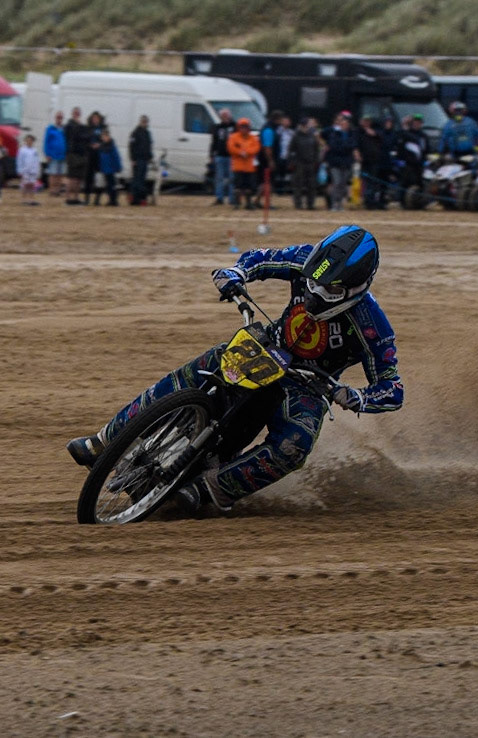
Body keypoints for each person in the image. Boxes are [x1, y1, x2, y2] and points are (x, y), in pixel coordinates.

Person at [67, 226, 403, 513]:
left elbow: (392, 387)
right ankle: (104, 440)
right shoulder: (306, 260)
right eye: (313, 281)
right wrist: (236, 273)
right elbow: (260, 258)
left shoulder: (373, 326)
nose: (314, 291)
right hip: (266, 345)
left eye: (329, 289)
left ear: (356, 289)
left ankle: (208, 490)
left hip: (309, 385)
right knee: (197, 370)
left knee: (295, 445)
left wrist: (354, 396)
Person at [323, 113, 357, 212]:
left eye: (346, 122)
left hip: (346, 163)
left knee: (343, 184)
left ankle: (340, 203)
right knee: (336, 182)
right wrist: (346, 147)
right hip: (335, 163)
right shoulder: (335, 134)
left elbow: (353, 145)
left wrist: (345, 147)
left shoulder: (351, 134)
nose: (344, 124)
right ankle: (334, 204)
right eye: (342, 122)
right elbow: (334, 147)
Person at [289, 117, 324, 210]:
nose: (305, 127)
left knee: (311, 185)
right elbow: (291, 150)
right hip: (299, 163)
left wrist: (317, 161)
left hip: (311, 163)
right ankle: (298, 204)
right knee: (298, 185)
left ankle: (310, 204)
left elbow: (316, 149)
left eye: (306, 125)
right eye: (303, 125)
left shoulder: (312, 136)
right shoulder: (296, 136)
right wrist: (293, 162)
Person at [227, 118, 260, 210]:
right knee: (238, 186)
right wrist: (240, 152)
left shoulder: (253, 138)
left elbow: (256, 148)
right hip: (238, 166)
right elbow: (230, 148)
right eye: (242, 127)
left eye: (246, 127)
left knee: (249, 186)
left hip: (249, 167)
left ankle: (248, 204)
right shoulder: (233, 137)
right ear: (239, 127)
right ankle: (237, 203)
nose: (244, 129)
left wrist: (247, 152)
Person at [356, 116, 386, 210]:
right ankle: (367, 201)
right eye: (365, 121)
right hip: (364, 161)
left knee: (374, 182)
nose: (366, 123)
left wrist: (375, 134)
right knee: (366, 182)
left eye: (368, 121)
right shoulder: (358, 132)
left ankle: (373, 201)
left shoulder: (376, 132)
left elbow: (383, 140)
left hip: (375, 161)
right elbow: (355, 145)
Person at [63, 107, 89, 205]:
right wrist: (79, 127)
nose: (76, 114)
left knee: (79, 178)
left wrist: (81, 128)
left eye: (78, 113)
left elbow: (87, 136)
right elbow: (74, 136)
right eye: (75, 113)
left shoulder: (81, 125)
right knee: (71, 177)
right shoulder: (69, 125)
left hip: (81, 154)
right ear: (72, 114)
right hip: (72, 154)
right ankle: (68, 198)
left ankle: (76, 198)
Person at [211, 108, 235, 205]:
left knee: (232, 178)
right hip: (220, 155)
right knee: (219, 178)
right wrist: (212, 154)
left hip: (232, 156)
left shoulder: (234, 127)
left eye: (226, 115)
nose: (225, 117)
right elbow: (214, 142)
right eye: (223, 115)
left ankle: (232, 198)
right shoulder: (217, 127)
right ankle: (219, 198)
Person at [94, 128, 122, 207]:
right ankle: (111, 200)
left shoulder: (112, 146)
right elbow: (100, 159)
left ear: (108, 136)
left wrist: (118, 167)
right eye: (103, 136)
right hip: (104, 169)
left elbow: (116, 157)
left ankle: (114, 200)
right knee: (108, 186)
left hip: (111, 169)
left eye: (106, 136)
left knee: (112, 185)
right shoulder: (102, 147)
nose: (104, 138)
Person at [128, 115, 153, 206]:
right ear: (140, 122)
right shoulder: (135, 133)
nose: (145, 123)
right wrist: (133, 159)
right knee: (137, 180)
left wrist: (150, 157)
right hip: (138, 160)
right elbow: (131, 146)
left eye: (146, 122)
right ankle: (135, 199)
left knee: (142, 180)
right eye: (143, 121)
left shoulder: (147, 133)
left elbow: (149, 146)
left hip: (145, 160)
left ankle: (140, 199)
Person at [44, 111, 67, 198]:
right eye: (58, 117)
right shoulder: (50, 128)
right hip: (53, 155)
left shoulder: (64, 129)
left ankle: (58, 190)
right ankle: (52, 190)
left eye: (61, 117)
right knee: (53, 174)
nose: (59, 119)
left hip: (63, 155)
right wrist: (47, 154)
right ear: (55, 118)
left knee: (60, 174)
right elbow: (46, 142)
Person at [16, 134, 40, 206]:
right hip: (25, 170)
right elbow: (19, 160)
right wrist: (20, 170)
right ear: (25, 141)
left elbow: (36, 161)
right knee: (25, 185)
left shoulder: (35, 150)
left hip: (33, 170)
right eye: (28, 140)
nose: (29, 142)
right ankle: (24, 199)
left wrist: (37, 170)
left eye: (31, 140)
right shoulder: (22, 150)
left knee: (32, 185)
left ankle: (31, 199)